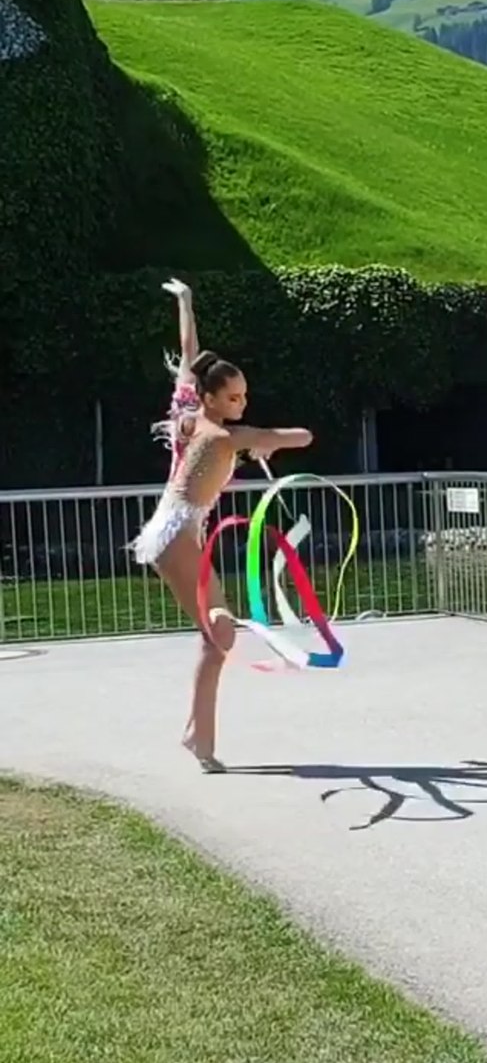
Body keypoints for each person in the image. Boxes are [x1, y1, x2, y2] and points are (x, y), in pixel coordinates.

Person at [133, 280, 313, 771]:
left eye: (244, 396)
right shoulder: (220, 435)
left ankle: (199, 738)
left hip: (176, 529)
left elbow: (189, 353)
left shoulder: (190, 412)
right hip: (176, 533)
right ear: (211, 398)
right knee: (221, 631)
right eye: (234, 398)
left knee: (217, 635)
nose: (241, 404)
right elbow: (299, 436)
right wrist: (263, 441)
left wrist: (186, 302)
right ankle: (199, 741)